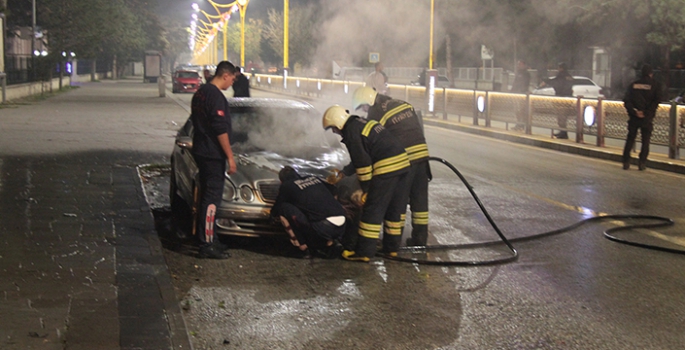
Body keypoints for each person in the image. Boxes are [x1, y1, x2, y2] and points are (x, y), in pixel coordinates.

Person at [322, 105, 411, 262]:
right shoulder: (361, 124)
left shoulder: (351, 133)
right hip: (403, 165)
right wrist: (342, 174)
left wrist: (366, 190)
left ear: (339, 123)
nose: (335, 132)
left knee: (372, 209)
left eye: (333, 128)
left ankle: (364, 252)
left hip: (386, 168)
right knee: (393, 210)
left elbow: (363, 165)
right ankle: (391, 249)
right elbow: (361, 157)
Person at [352, 86, 430, 247]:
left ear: (369, 101)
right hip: (422, 155)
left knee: (398, 202)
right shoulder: (401, 103)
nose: (365, 111)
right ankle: (420, 240)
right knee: (420, 201)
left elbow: (376, 141)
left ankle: (392, 243)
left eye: (364, 106)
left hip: (404, 159)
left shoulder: (375, 113)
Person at [190, 61, 238, 259]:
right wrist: (230, 156)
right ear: (225, 75)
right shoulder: (215, 96)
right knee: (211, 201)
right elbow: (220, 129)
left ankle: (210, 238)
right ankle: (207, 244)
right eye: (233, 78)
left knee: (206, 199)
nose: (233, 83)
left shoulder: (200, 93)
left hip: (202, 150)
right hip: (212, 154)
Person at [270, 166, 346, 258]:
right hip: (342, 221)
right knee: (313, 212)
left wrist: (271, 217)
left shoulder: (287, 185)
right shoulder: (313, 178)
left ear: (282, 181)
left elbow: (277, 207)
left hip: (324, 227)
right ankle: (330, 243)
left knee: (284, 208)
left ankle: (302, 247)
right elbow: (334, 190)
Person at [622, 64, 661, 171]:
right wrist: (646, 112)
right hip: (647, 118)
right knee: (645, 141)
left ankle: (626, 161)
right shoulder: (655, 85)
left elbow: (627, 100)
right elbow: (656, 101)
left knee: (630, 139)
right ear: (651, 74)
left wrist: (634, 112)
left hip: (634, 117)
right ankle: (642, 162)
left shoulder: (633, 85)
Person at [539, 62, 574, 139]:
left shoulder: (561, 75)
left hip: (561, 98)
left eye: (559, 67)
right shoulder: (568, 76)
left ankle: (563, 133)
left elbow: (556, 82)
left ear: (561, 68)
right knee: (564, 116)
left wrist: (545, 81)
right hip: (567, 98)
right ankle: (562, 131)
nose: (558, 69)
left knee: (561, 116)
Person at [510, 60, 531, 131]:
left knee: (522, 110)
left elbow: (526, 84)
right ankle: (518, 123)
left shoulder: (526, 74)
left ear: (524, 65)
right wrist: (512, 91)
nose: (518, 66)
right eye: (518, 64)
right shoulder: (518, 73)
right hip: (516, 94)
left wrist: (523, 91)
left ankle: (522, 125)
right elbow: (515, 83)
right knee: (517, 110)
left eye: (520, 64)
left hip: (522, 95)